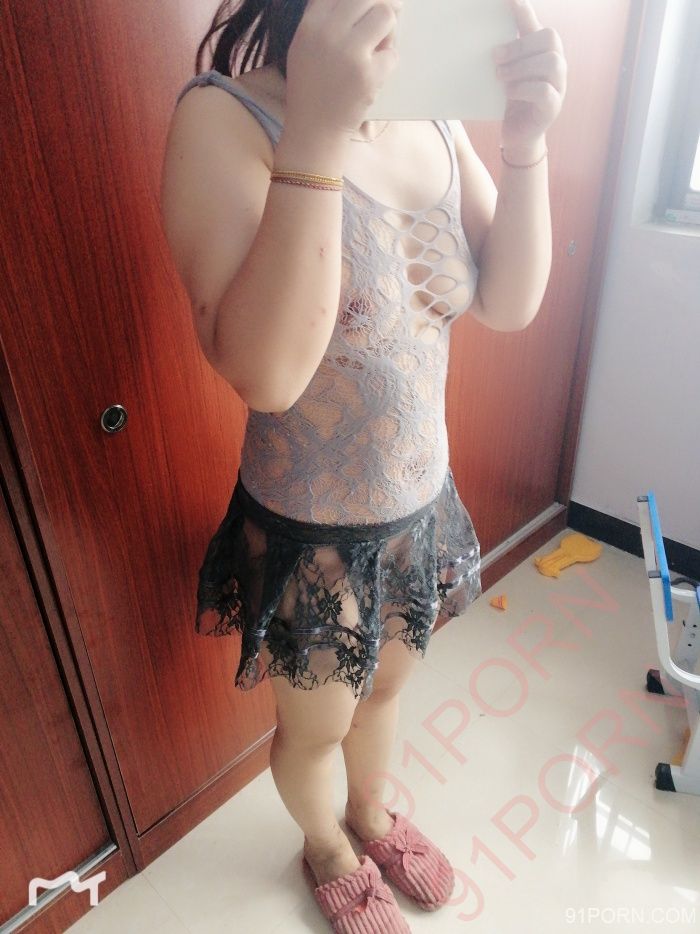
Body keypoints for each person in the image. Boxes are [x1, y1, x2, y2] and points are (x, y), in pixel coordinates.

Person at [160, 0, 566, 929]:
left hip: (419, 507)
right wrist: (318, 129)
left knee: (384, 690)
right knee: (317, 728)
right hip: (312, 533)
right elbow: (268, 375)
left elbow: (508, 302)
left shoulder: (432, 116)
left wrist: (526, 145)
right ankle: (326, 846)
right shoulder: (225, 119)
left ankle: (372, 814)